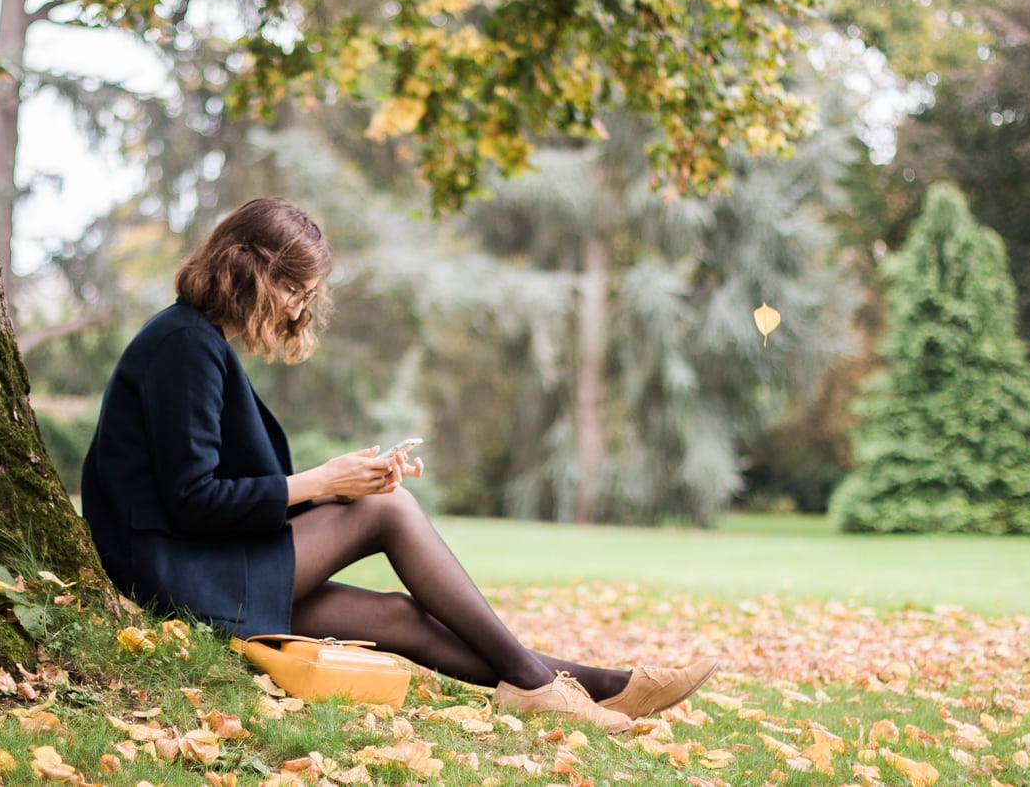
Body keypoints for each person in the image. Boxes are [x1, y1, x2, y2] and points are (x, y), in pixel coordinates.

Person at [81, 196, 718, 733]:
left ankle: (607, 685)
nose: (299, 310)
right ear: (243, 267)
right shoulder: (183, 345)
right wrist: (326, 483)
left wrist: (341, 481)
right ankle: (535, 684)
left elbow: (224, 493)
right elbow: (194, 499)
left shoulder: (197, 341)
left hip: (201, 564)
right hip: (175, 571)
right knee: (387, 510)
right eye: (291, 289)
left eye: (308, 294)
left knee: (398, 615)